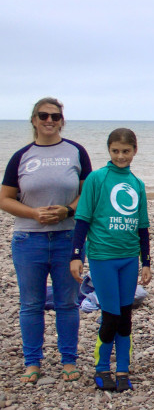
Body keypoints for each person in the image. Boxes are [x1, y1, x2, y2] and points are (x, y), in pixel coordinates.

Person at [1, 98, 91, 384]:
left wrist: (68, 210)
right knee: (31, 303)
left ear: (62, 120)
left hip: (68, 237)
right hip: (29, 240)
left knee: (67, 302)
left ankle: (68, 360)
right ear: (34, 120)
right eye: (43, 115)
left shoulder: (76, 152)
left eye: (55, 116)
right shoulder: (21, 156)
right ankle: (32, 362)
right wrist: (33, 214)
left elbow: (87, 192)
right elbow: (4, 198)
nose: (49, 120)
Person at [69, 128, 152, 392]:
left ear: (134, 151)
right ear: (109, 150)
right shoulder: (96, 179)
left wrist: (146, 261)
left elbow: (143, 227)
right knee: (111, 316)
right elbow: (82, 219)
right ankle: (101, 367)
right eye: (115, 151)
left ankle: (123, 369)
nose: (120, 156)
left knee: (126, 317)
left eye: (125, 151)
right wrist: (76, 256)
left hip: (128, 258)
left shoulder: (137, 184)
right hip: (103, 257)